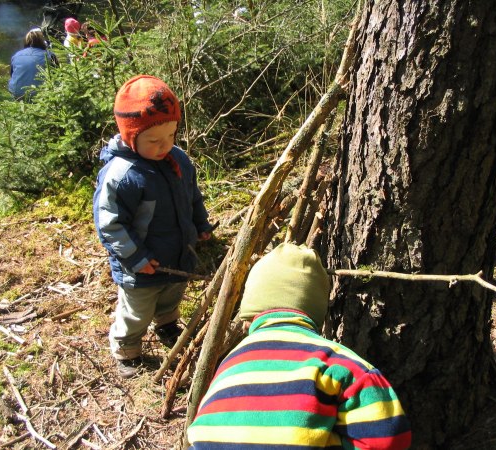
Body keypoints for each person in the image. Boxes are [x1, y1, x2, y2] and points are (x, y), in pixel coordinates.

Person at [187, 243, 412, 449]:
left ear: (249, 315)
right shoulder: (339, 364)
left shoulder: (229, 365)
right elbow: (389, 440)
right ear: (317, 308)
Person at [93, 75, 213, 379]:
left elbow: (192, 197)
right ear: (131, 136)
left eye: (171, 135)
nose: (165, 145)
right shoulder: (122, 175)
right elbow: (111, 224)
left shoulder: (178, 159)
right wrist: (136, 258)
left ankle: (167, 323)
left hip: (177, 253)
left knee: (172, 294)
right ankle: (127, 348)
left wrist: (200, 224)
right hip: (142, 264)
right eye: (154, 140)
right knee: (137, 310)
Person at [8, 28, 58, 100]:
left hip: (17, 93)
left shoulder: (16, 55)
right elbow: (58, 75)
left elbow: (12, 75)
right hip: (41, 93)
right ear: (42, 41)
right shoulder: (50, 55)